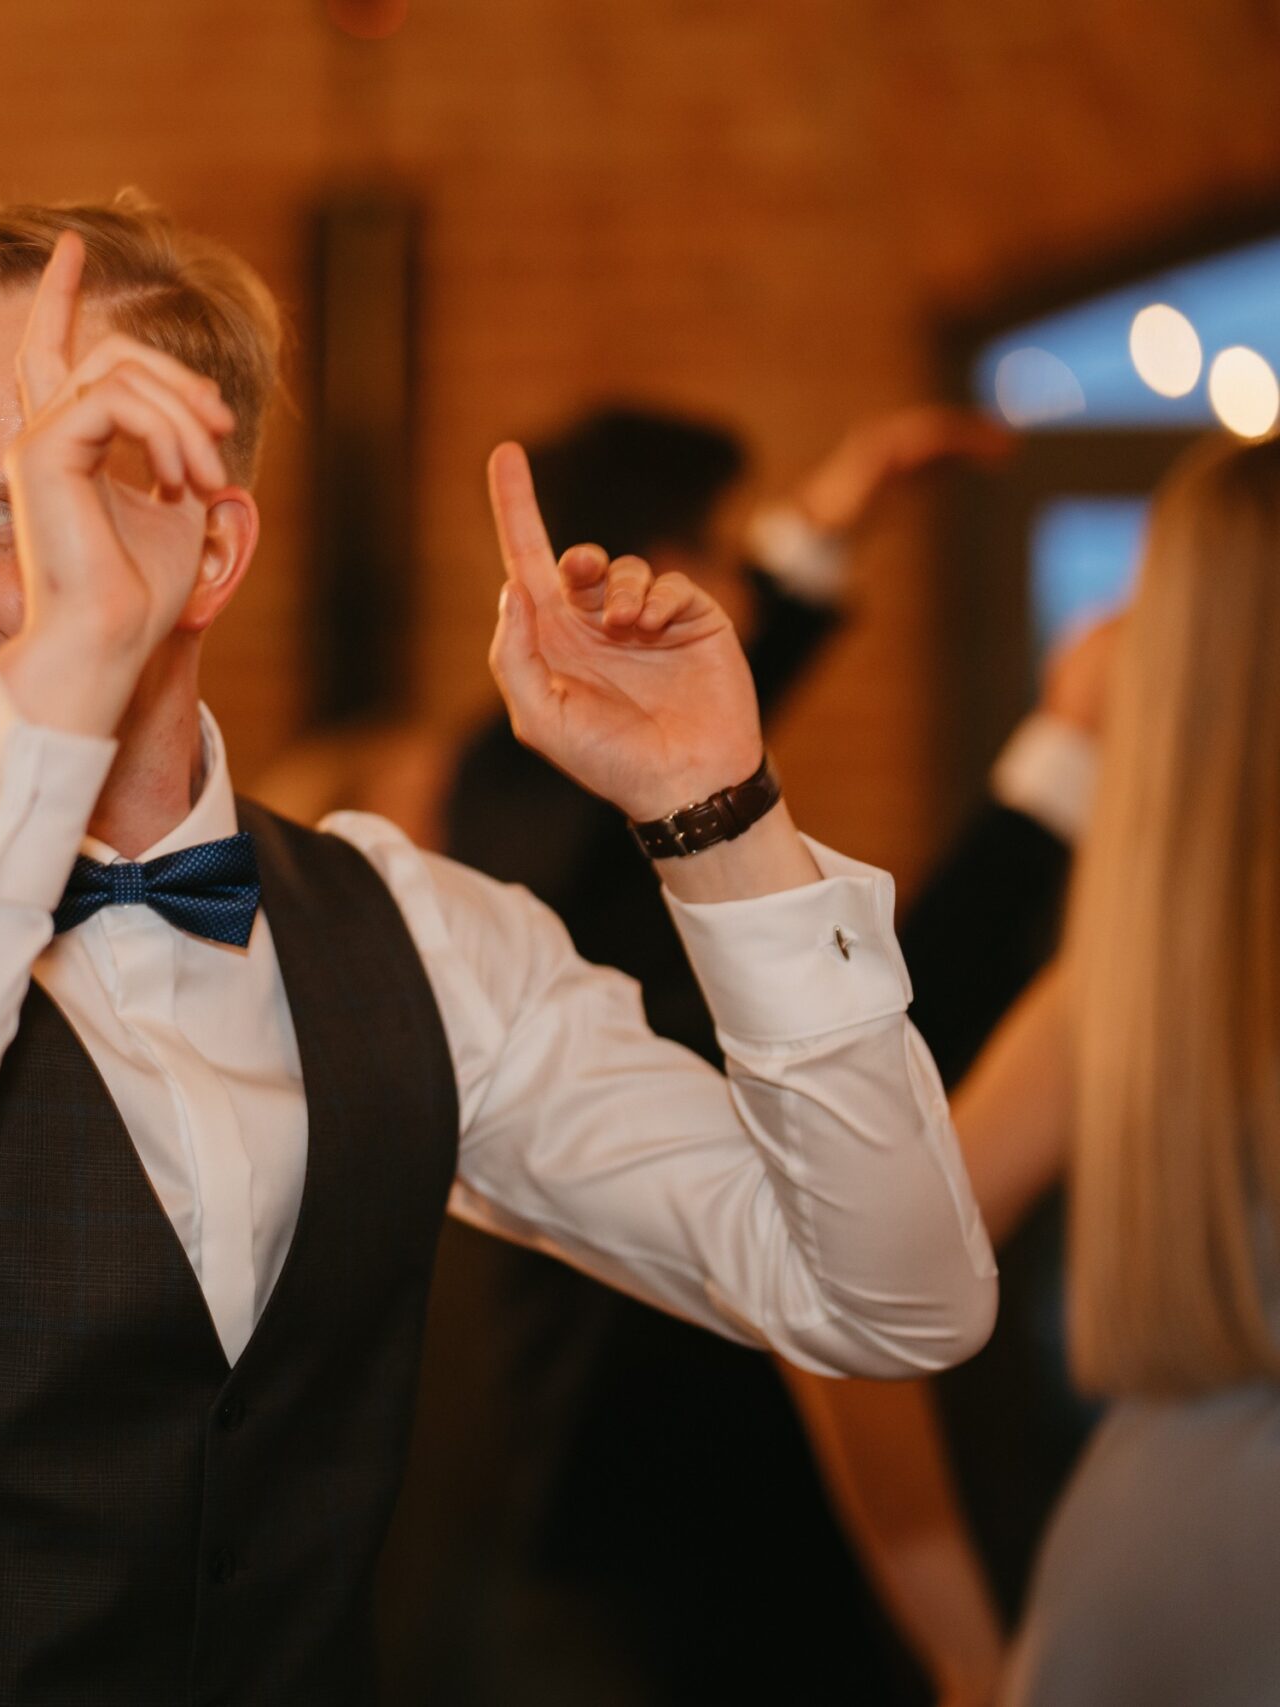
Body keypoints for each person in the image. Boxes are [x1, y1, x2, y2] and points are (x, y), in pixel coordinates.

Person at [0, 194, 996, 1705]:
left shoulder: (416, 940)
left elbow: (893, 1300)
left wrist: (718, 815)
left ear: (208, 552)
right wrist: (61, 668)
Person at [374, 402, 1018, 1706]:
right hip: (624, 1452)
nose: (749, 586)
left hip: (711, 1420)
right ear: (654, 556)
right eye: (726, 548)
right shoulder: (521, 785)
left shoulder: (552, 778)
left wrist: (836, 509)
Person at [800, 435, 1280, 1707]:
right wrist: (960, 1645)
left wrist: (961, 1644)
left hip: (1148, 1579)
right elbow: (841, 1305)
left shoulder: (1127, 988)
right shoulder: (1128, 986)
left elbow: (839, 1306)